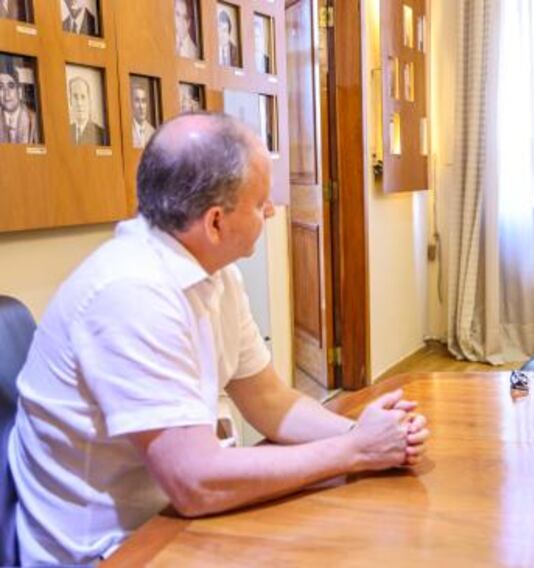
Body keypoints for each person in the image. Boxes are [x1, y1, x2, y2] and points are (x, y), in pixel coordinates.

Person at [8, 112, 430, 566]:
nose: (271, 211)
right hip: (109, 550)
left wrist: (367, 435)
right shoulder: (130, 292)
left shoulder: (216, 274)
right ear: (214, 223)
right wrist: (355, 451)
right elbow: (195, 483)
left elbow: (269, 402)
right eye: (260, 203)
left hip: (172, 519)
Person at [0, 62, 39, 144]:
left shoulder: (34, 120)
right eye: (1, 87)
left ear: (20, 91)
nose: (6, 93)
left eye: (11, 86)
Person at [68, 76, 106, 145]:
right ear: (70, 101)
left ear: (89, 101)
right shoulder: (67, 131)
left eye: (83, 97)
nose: (79, 103)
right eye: (75, 97)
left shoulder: (101, 134)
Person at [131, 81, 155, 148]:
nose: (141, 107)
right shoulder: (127, 129)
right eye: (137, 101)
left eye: (143, 101)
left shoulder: (153, 132)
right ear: (131, 104)